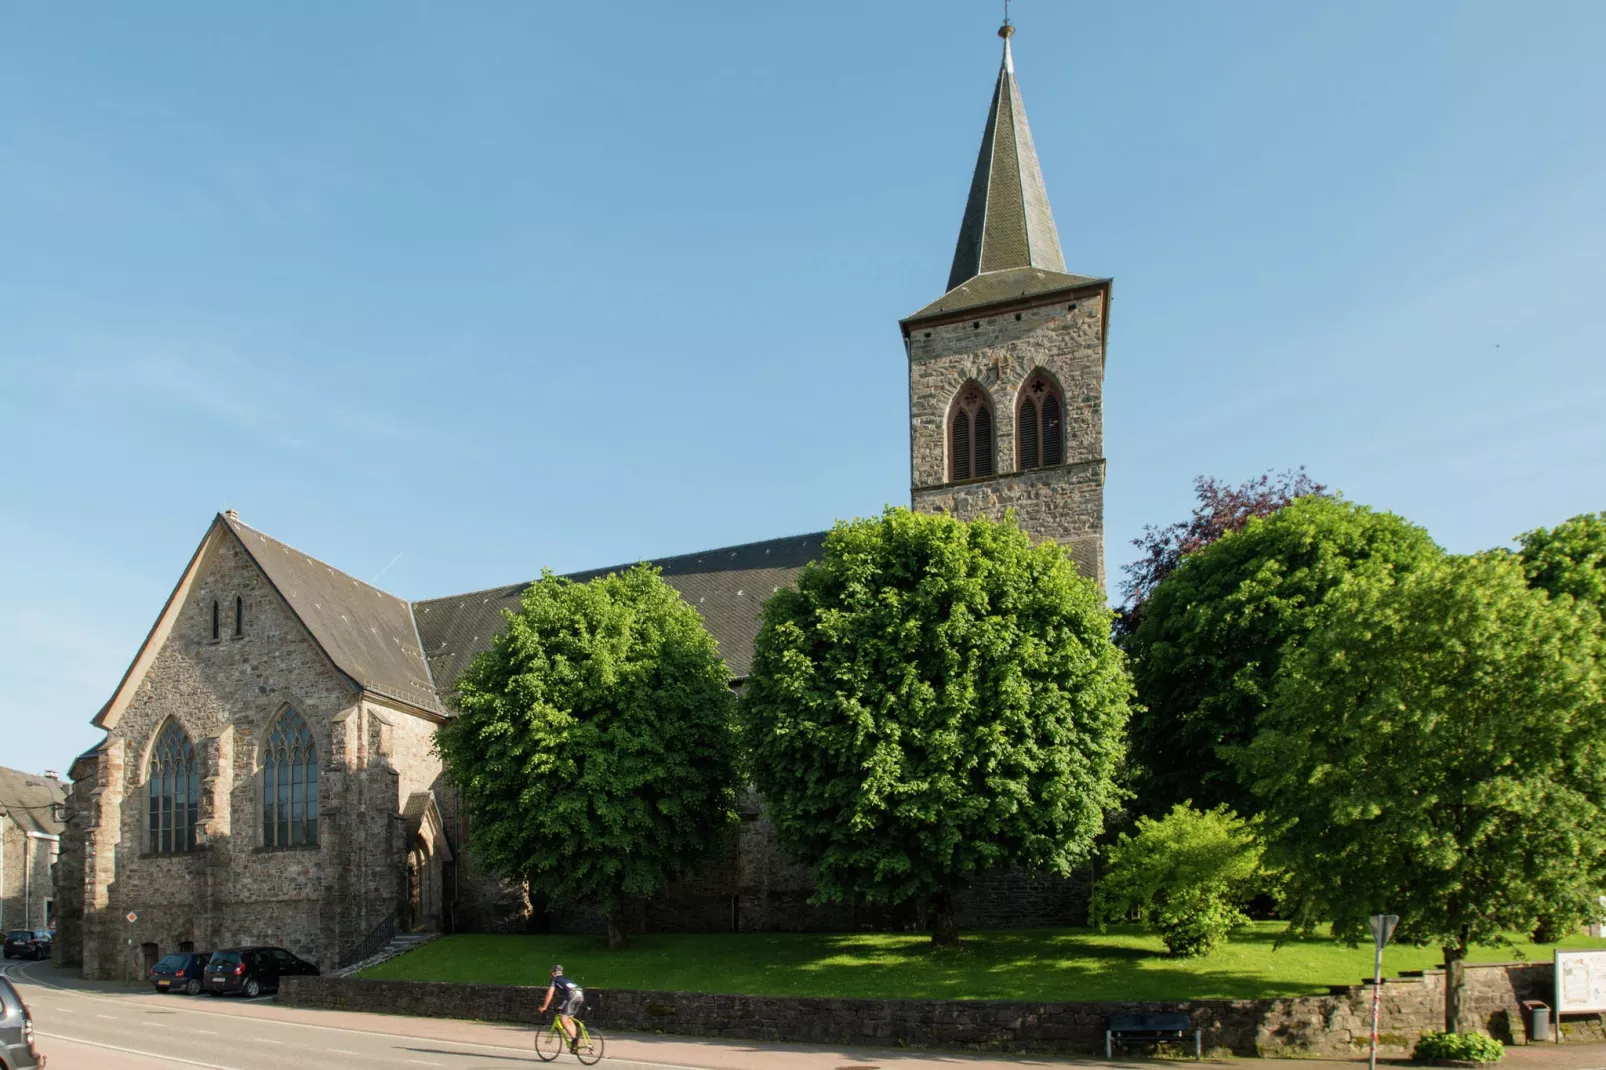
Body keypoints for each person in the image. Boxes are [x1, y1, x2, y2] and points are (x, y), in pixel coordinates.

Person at [538, 964, 584, 1050]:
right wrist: (562, 1006)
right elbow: (567, 993)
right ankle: (575, 1043)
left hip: (571, 997)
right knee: (569, 1019)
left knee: (563, 1019)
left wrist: (544, 1007)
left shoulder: (555, 980)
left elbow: (550, 994)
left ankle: (574, 1039)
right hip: (580, 996)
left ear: (553, 973)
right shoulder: (567, 979)